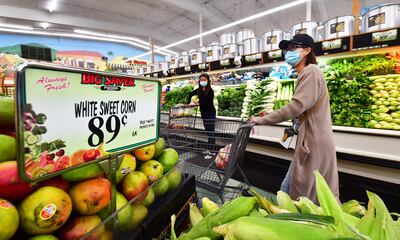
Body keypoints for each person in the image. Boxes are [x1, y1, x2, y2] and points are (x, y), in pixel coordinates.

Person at [250, 34, 339, 203]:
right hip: (311, 141)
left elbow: (296, 106)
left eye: (292, 48)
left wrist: (260, 120)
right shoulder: (307, 73)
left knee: (304, 195)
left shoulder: (310, 71)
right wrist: (270, 113)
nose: (287, 52)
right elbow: (302, 108)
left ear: (307, 50)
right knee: (295, 189)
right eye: (286, 49)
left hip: (315, 144)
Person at [188, 73, 216, 158]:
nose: (202, 81)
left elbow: (206, 102)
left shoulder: (210, 91)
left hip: (210, 113)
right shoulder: (199, 90)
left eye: (204, 80)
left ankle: (212, 151)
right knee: (208, 132)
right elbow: (190, 94)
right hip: (204, 113)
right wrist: (189, 102)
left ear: (208, 81)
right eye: (201, 80)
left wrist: (197, 103)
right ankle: (210, 149)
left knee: (211, 132)